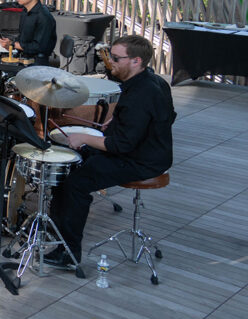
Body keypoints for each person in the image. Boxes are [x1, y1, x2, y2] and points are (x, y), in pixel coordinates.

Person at [45, 35, 175, 268]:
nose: (109, 62)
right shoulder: (151, 82)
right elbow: (166, 116)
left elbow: (120, 146)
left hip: (142, 160)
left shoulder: (141, 95)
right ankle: (56, 230)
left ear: (136, 61)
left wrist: (83, 137)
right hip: (140, 149)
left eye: (115, 58)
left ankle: (68, 254)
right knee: (67, 163)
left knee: (77, 182)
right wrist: (117, 118)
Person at [0, 0, 56, 65]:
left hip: (37, 63)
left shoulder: (44, 17)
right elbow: (24, 39)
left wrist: (13, 44)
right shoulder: (25, 11)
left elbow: (39, 47)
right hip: (24, 57)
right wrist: (9, 44)